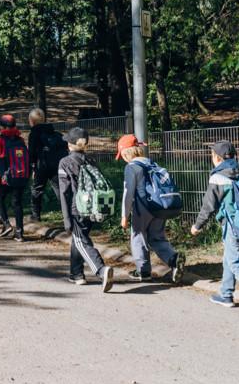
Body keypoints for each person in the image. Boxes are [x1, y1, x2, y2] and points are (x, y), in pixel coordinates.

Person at [190, 140, 239, 319]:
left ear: (216, 158)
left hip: (233, 225)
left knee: (236, 263)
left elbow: (208, 206)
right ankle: (226, 294)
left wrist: (197, 226)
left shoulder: (218, 177)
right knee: (229, 257)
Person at [118, 134, 184, 282]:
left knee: (138, 236)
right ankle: (173, 259)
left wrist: (125, 215)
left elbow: (128, 193)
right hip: (160, 207)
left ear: (125, 152)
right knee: (157, 237)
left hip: (143, 209)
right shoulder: (153, 164)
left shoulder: (132, 167)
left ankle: (143, 271)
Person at [57, 127, 114, 291]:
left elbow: (64, 193)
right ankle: (76, 274)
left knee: (81, 241)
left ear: (70, 144)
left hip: (77, 209)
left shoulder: (65, 162)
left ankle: (101, 270)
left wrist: (66, 218)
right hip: (92, 208)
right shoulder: (91, 160)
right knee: (78, 240)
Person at [0, 114, 30, 241]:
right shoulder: (20, 140)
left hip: (5, 177)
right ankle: (20, 232)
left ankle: (6, 224)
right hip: (20, 175)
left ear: (3, 127)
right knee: (17, 203)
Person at [28, 108, 67, 222]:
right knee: (60, 190)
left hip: (42, 165)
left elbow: (32, 152)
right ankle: (67, 215)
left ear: (32, 121)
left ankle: (35, 215)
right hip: (56, 164)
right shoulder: (54, 132)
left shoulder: (34, 133)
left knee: (37, 189)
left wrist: (33, 166)